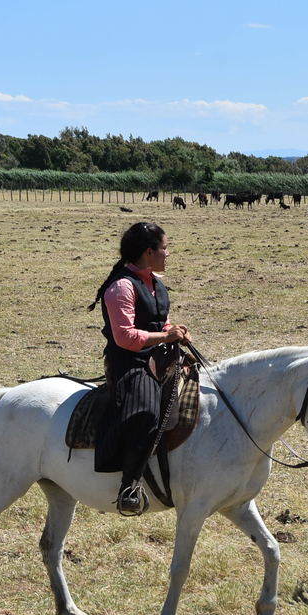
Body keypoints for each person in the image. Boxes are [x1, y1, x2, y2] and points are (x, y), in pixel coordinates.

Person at [88, 221, 192, 515]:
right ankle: (129, 486)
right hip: (130, 364)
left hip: (160, 358)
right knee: (147, 412)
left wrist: (174, 332)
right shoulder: (121, 287)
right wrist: (165, 337)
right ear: (149, 252)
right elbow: (125, 337)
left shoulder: (155, 283)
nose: (168, 253)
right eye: (165, 248)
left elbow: (160, 322)